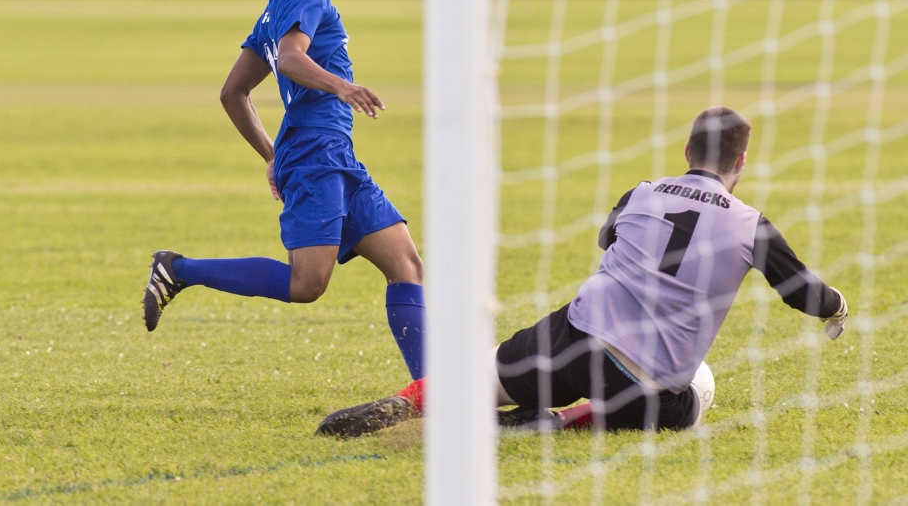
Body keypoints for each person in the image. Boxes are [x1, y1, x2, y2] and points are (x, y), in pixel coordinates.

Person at [316, 107, 848, 438]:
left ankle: (407, 402)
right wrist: (837, 306)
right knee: (695, 393)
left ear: (686, 150)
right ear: (742, 163)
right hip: (643, 382)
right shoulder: (750, 224)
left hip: (575, 334)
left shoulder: (641, 193)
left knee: (477, 377)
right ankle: (559, 422)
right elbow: (804, 294)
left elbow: (608, 240)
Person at [142, 0, 426, 381]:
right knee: (307, 283)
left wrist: (274, 156)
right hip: (318, 155)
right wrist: (341, 86)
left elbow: (233, 94)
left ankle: (428, 389)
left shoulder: (277, 6)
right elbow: (292, 60)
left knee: (406, 265)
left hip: (331, 155)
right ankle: (177, 269)